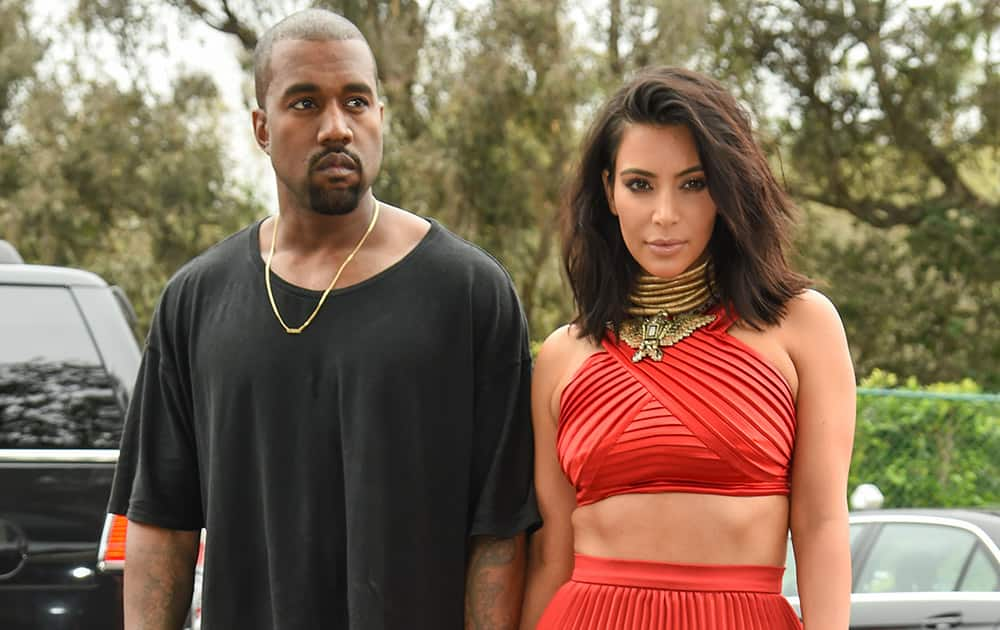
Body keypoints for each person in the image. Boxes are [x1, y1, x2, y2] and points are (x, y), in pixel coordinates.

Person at [108, 9, 539, 630]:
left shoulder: (469, 294)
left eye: (356, 102)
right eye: (305, 103)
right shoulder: (195, 301)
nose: (336, 127)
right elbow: (161, 521)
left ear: (381, 118)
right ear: (261, 126)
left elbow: (499, 532)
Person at [520, 67, 855, 629]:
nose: (665, 215)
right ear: (608, 191)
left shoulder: (801, 326)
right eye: (640, 184)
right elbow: (551, 555)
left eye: (693, 184)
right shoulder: (563, 355)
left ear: (726, 192)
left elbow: (822, 523)